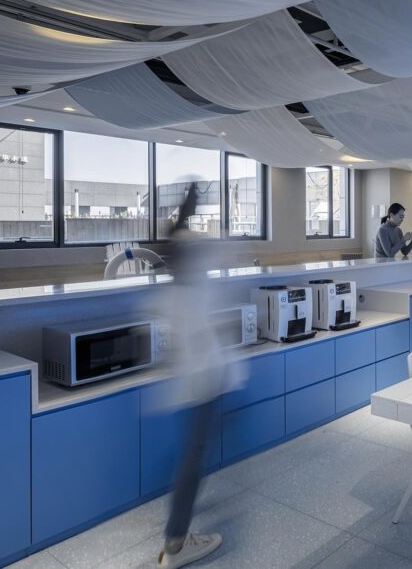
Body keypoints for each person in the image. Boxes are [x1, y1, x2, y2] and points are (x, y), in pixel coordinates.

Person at [155, 187, 246, 568]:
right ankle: (175, 544)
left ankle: (179, 525)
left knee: (193, 454)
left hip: (195, 380)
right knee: (192, 459)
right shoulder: (192, 279)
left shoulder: (179, 287)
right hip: (201, 380)